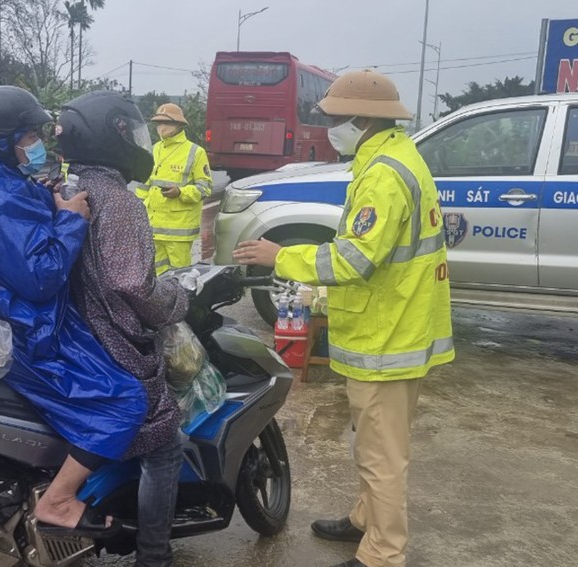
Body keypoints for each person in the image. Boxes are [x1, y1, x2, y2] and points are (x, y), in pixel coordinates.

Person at [233, 69, 455, 567]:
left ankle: (383, 552)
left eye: (334, 119)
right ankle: (364, 519)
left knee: (381, 454)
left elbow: (355, 259)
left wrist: (280, 256)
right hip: (393, 325)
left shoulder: (383, 175)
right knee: (372, 442)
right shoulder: (397, 157)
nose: (329, 128)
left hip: (388, 338)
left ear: (363, 119)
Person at [0, 85, 148, 537]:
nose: (38, 144)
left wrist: (40, 199)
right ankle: (59, 499)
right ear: (1, 141)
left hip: (3, 311)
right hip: (32, 328)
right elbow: (42, 277)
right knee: (126, 403)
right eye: (29, 136)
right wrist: (71, 218)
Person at [56, 90, 188, 567]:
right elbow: (134, 285)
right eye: (132, 132)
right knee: (164, 444)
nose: (141, 142)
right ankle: (153, 555)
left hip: (73, 338)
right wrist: (176, 298)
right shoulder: (119, 201)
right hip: (113, 342)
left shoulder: (67, 189)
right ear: (110, 135)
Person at [135, 103, 214, 275]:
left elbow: (205, 188)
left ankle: (182, 303)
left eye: (166, 123)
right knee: (157, 275)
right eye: (159, 123)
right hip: (154, 228)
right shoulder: (154, 150)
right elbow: (143, 186)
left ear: (179, 125)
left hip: (179, 231)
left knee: (180, 276)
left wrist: (180, 193)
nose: (161, 127)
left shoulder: (195, 152)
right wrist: (137, 212)